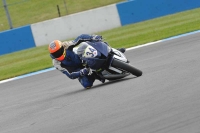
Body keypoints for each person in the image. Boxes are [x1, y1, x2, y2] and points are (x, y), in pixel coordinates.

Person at [48, 34, 125, 89]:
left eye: (58, 52)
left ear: (62, 48)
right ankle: (96, 75)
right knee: (87, 85)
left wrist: (92, 37)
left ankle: (111, 51)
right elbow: (69, 75)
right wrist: (80, 73)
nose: (57, 55)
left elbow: (80, 38)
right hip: (78, 69)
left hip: (80, 57)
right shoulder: (56, 63)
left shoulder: (66, 45)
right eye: (55, 54)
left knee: (88, 45)